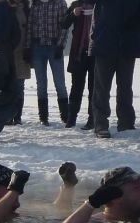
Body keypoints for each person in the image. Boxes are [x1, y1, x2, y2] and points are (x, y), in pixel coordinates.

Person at [89, 0, 140, 139]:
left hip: (128, 41)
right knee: (102, 87)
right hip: (105, 40)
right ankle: (101, 124)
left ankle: (126, 122)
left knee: (125, 85)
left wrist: (138, 19)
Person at [60, 166, 140, 223]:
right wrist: (91, 203)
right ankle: (68, 188)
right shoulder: (96, 221)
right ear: (116, 196)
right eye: (136, 188)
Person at [24, 0, 69, 126]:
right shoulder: (35, 4)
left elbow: (65, 27)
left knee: (60, 83)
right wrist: (27, 47)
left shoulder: (60, 3)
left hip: (54, 46)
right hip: (37, 47)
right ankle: (43, 117)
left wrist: (60, 46)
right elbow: (29, 27)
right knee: (41, 84)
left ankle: (66, 116)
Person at [61, 0, 95, 129]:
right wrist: (73, 15)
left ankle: (92, 118)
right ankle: (71, 118)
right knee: (76, 87)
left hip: (95, 53)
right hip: (78, 53)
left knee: (94, 88)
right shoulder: (76, 4)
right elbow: (64, 24)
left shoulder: (100, 5)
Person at [7, 0, 32, 125]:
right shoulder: (7, 8)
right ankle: (7, 115)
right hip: (8, 52)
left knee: (19, 86)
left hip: (23, 52)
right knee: (7, 85)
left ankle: (17, 116)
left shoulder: (27, 10)